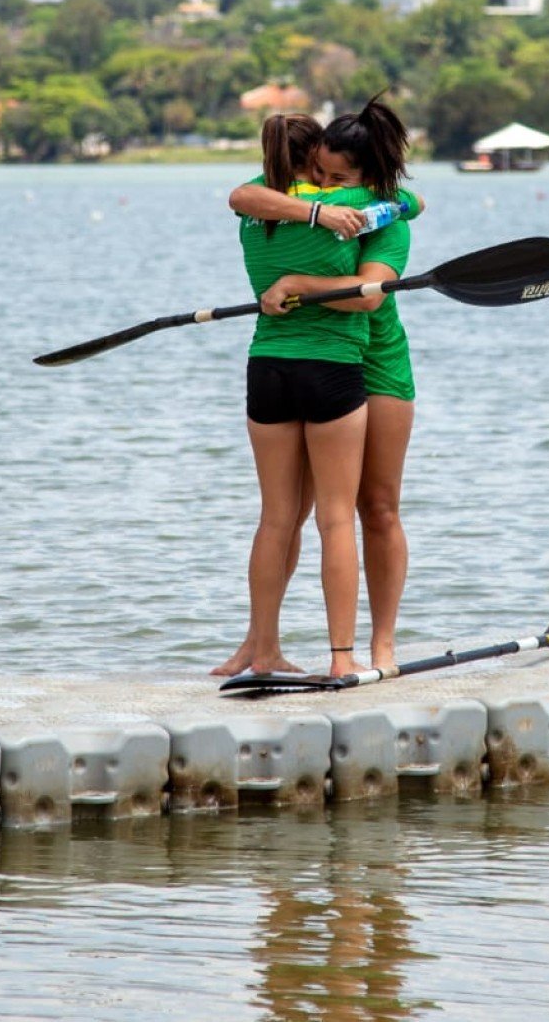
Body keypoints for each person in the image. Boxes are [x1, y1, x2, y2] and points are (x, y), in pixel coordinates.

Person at [217, 97, 420, 677]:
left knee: (375, 508)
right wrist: (313, 211)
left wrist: (294, 280)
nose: (328, 190)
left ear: (368, 179)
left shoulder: (386, 218)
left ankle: (381, 644)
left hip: (376, 364)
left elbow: (370, 291)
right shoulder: (309, 203)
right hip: (326, 361)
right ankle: (260, 642)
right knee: (293, 511)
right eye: (320, 176)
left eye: (340, 181)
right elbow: (245, 196)